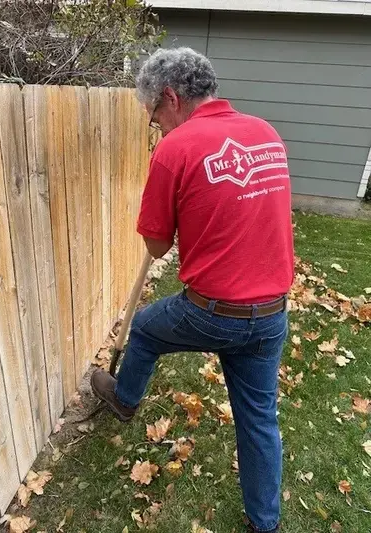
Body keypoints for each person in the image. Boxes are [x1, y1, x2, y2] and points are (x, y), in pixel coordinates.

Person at [91, 47, 294, 533]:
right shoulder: (266, 134)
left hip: (212, 312)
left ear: (170, 97)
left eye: (154, 115)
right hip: (270, 314)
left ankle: (123, 398)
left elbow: (158, 246)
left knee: (143, 327)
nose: (156, 125)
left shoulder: (175, 149)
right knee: (259, 418)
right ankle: (264, 524)